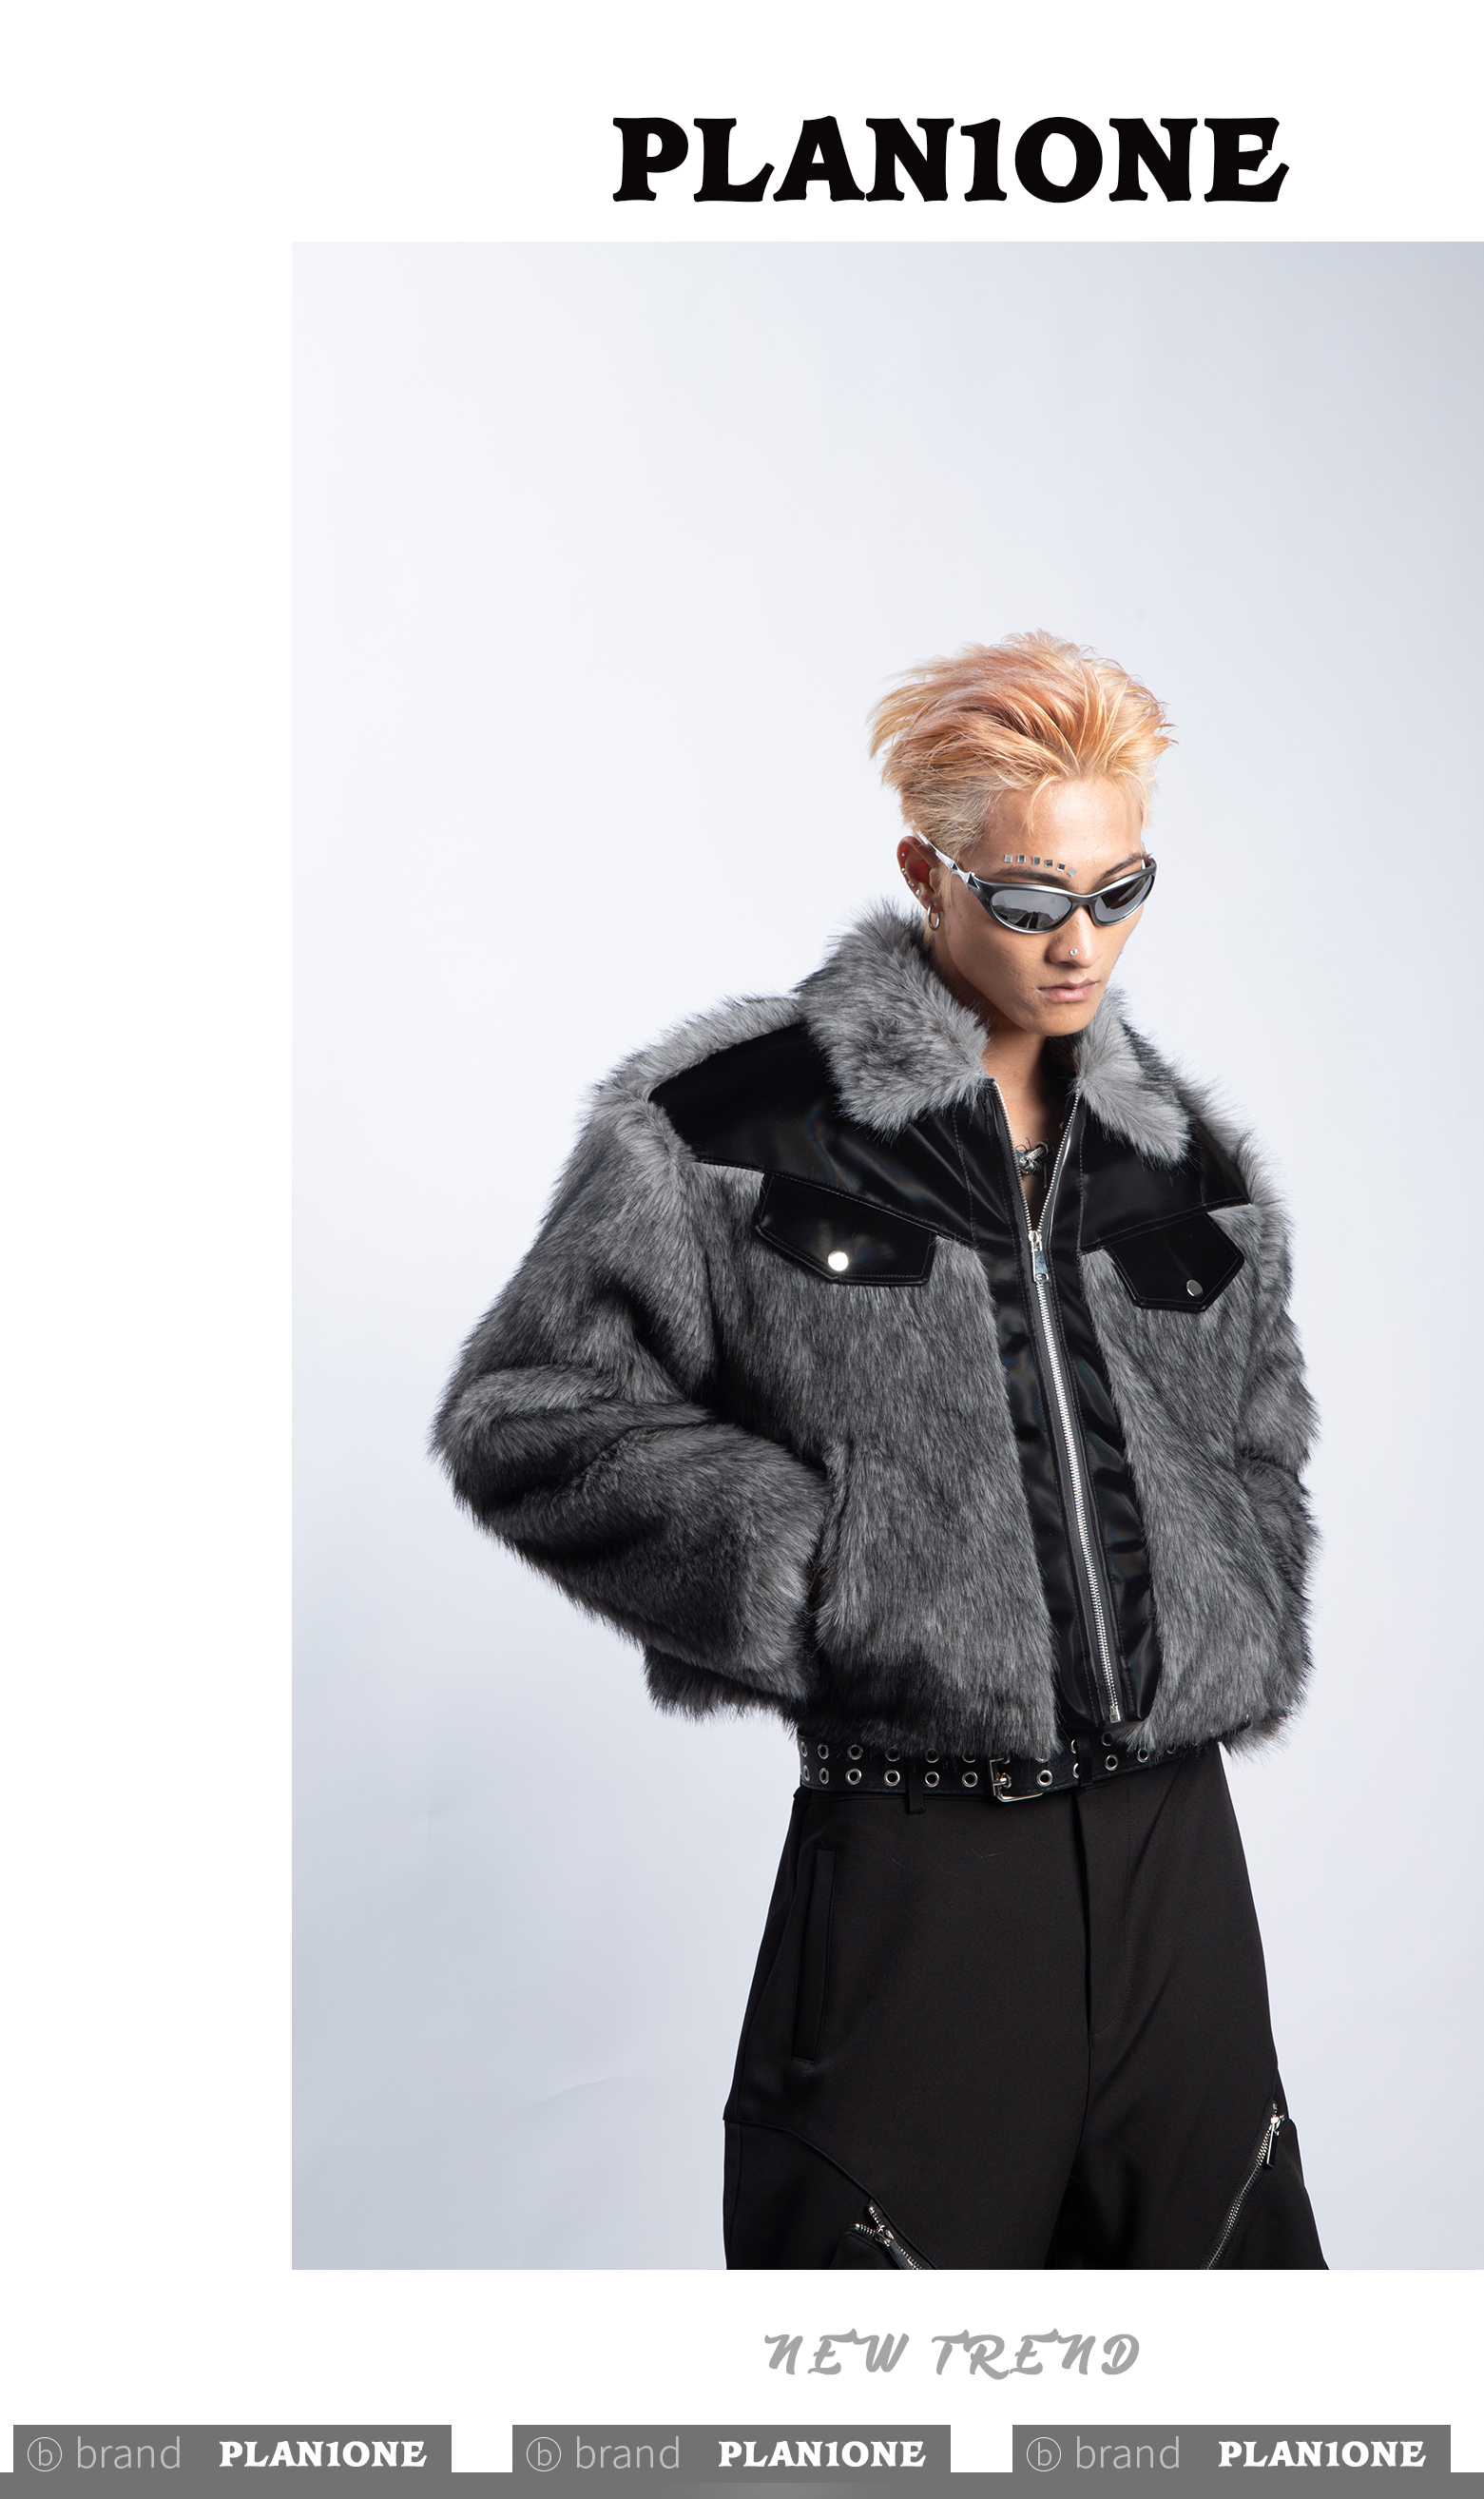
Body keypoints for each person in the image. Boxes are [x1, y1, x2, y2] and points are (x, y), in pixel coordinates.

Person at [434, 630, 1326, 2269]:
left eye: (1121, 892)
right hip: (921, 1869)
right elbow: (528, 1412)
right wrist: (823, 1579)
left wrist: (1237, 1603)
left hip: (1179, 1870)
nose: (1082, 944)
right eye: (1032, 899)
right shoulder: (727, 1122)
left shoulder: (1185, 1161)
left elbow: (1259, 1442)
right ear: (927, 872)